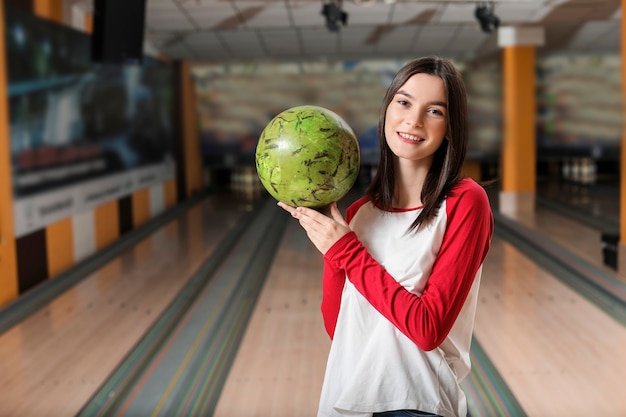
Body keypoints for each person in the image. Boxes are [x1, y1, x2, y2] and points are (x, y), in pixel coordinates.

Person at [278, 55, 494, 417]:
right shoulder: (358, 214)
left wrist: (345, 251)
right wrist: (332, 251)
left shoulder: (465, 202)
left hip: (416, 402)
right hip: (345, 399)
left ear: (450, 128)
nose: (413, 120)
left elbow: (427, 329)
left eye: (435, 111)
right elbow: (341, 329)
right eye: (404, 102)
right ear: (387, 110)